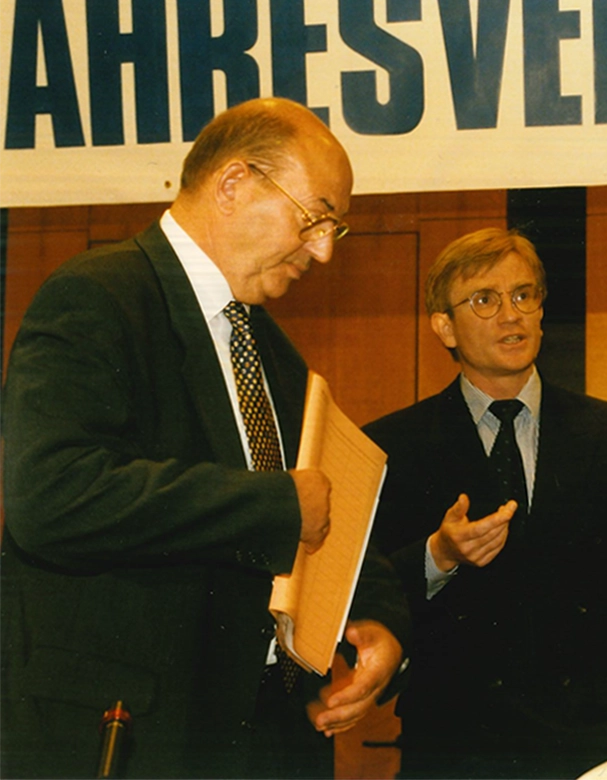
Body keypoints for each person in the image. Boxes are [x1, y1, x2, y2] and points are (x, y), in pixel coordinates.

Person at [0, 97, 409, 779]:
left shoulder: (270, 350)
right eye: (314, 219)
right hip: (131, 740)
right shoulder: (97, 296)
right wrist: (273, 507)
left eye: (335, 228)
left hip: (265, 742)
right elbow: (51, 495)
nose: (325, 250)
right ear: (233, 185)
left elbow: (326, 508)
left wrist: (377, 614)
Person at [363, 228, 607, 778]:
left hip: (595, 745)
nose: (512, 315)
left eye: (524, 296)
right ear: (444, 326)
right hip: (455, 747)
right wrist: (438, 555)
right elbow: (367, 593)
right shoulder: (390, 445)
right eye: (485, 300)